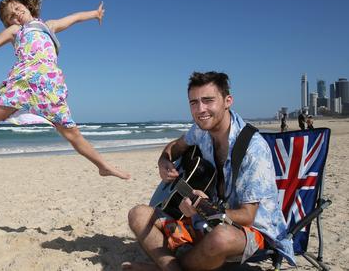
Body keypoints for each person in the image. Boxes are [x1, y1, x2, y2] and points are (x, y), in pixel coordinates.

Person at [0, 0, 130, 180]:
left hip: (50, 89)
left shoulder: (49, 25)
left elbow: (74, 18)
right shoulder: (16, 31)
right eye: (10, 16)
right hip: (22, 85)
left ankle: (103, 166)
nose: (16, 15)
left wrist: (95, 13)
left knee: (73, 134)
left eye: (17, 8)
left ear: (27, 5)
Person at [125, 71, 294, 270]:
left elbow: (247, 216)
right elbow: (175, 147)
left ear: (227, 101)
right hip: (205, 222)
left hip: (249, 232)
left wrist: (202, 207)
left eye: (208, 100)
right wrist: (164, 161)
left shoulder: (253, 148)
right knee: (138, 214)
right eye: (194, 102)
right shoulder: (200, 131)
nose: (200, 109)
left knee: (221, 238)